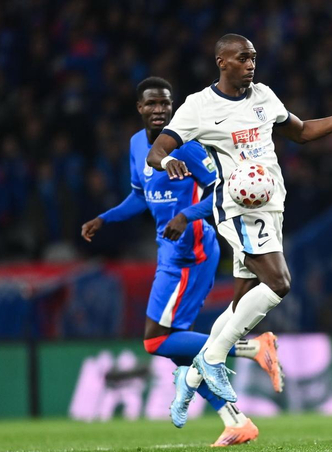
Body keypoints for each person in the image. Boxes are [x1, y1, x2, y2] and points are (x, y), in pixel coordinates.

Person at [146, 34, 332, 422]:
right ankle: (212, 359)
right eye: (242, 58)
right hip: (238, 209)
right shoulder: (199, 106)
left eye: (253, 58)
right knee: (279, 283)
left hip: (271, 206)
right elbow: (157, 151)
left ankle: (191, 378)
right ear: (222, 62)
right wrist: (168, 163)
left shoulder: (264, 96)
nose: (251, 64)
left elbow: (303, 132)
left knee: (241, 301)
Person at [81, 76, 283, 446]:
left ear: (173, 106)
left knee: (157, 341)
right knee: (174, 346)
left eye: (165, 103)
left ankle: (251, 348)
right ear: (139, 108)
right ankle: (236, 420)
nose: (159, 110)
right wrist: (104, 219)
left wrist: (186, 216)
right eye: (151, 103)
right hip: (169, 252)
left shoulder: (187, 146)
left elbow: (223, 192)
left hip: (194, 252)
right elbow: (140, 196)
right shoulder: (137, 145)